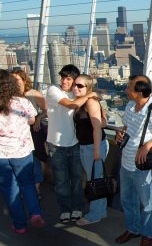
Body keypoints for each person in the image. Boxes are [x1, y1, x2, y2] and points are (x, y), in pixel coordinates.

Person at [115, 75, 152, 246]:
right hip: (126, 162)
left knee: (147, 204)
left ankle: (147, 235)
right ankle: (133, 229)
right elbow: (126, 126)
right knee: (127, 199)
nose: (126, 90)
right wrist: (120, 133)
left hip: (142, 166)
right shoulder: (130, 105)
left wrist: (148, 145)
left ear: (139, 92)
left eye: (129, 88)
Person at [46, 64, 98, 223]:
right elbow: (71, 105)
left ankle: (77, 208)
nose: (64, 81)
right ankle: (65, 209)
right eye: (63, 78)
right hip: (56, 145)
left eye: (68, 79)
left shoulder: (77, 93)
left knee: (76, 179)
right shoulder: (54, 90)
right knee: (61, 180)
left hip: (75, 143)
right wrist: (91, 95)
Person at [0, 70, 45, 234]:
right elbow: (33, 120)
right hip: (22, 151)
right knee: (27, 183)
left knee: (10, 189)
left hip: (1, 155)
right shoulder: (22, 102)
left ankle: (19, 225)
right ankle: (35, 213)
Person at [72, 74, 109, 226]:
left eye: (80, 86)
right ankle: (100, 210)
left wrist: (96, 151)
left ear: (88, 88)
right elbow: (103, 123)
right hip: (87, 146)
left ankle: (96, 214)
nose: (75, 87)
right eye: (75, 84)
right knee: (95, 179)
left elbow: (97, 128)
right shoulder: (82, 102)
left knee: (95, 181)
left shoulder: (91, 102)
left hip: (93, 146)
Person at [11, 70, 48, 198]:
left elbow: (47, 110)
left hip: (34, 129)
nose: (15, 83)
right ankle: (26, 187)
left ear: (24, 80)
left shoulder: (33, 94)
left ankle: (36, 188)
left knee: (35, 158)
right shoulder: (10, 96)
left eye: (17, 80)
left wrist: (38, 118)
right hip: (18, 132)